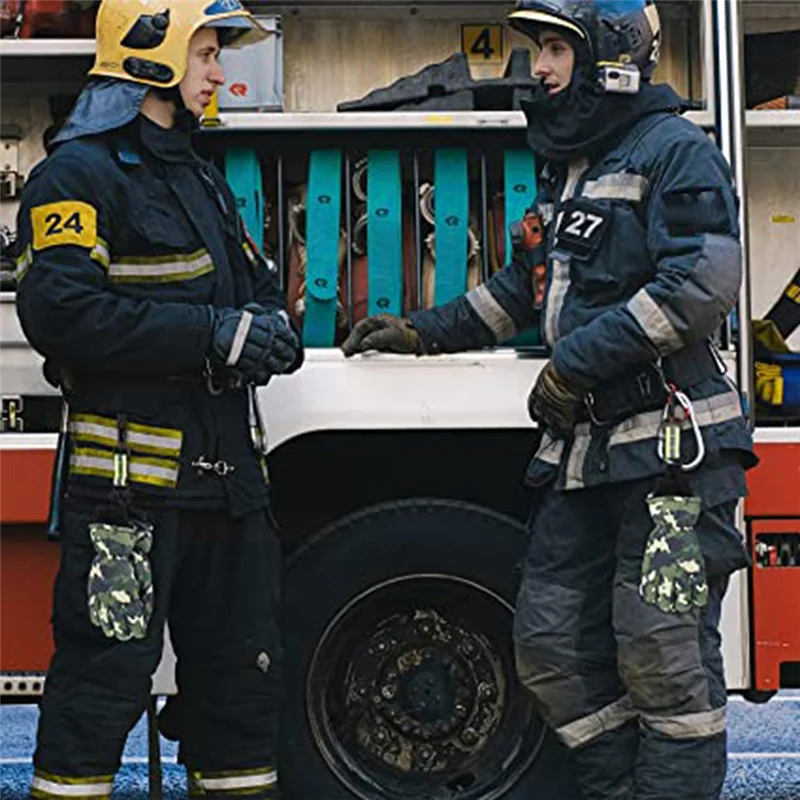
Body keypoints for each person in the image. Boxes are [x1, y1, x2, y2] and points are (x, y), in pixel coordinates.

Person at [341, 0, 757, 796]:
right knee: (549, 647)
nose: (539, 67)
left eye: (556, 49)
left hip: (672, 462)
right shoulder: (573, 168)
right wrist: (420, 333)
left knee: (661, 658)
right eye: (540, 50)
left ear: (612, 54)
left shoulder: (676, 153)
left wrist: (574, 367)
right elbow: (520, 291)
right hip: (586, 460)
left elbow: (699, 287)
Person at [15, 1, 301, 797]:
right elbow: (60, 313)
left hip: (228, 495)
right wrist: (212, 335)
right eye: (206, 53)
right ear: (151, 56)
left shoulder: (199, 175)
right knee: (100, 693)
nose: (220, 72)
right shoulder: (75, 177)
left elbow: (256, 292)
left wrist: (267, 329)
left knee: (241, 694)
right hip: (126, 502)